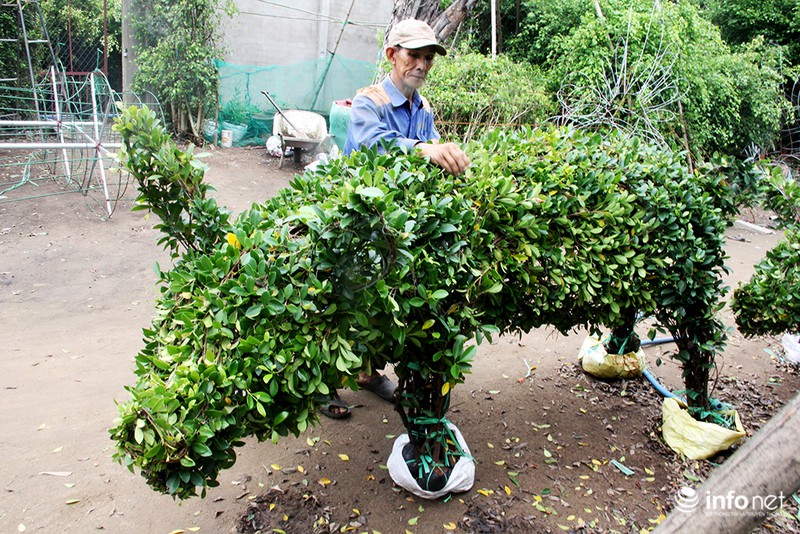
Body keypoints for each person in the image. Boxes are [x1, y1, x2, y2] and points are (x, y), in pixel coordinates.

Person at [320, 19, 470, 419]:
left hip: (395, 225)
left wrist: (449, 160)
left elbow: (432, 154)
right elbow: (373, 145)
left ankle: (367, 374)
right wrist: (425, 150)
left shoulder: (424, 109)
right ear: (392, 55)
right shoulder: (369, 101)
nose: (421, 65)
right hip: (356, 219)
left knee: (381, 302)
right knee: (341, 300)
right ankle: (324, 383)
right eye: (413, 55)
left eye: (428, 58)